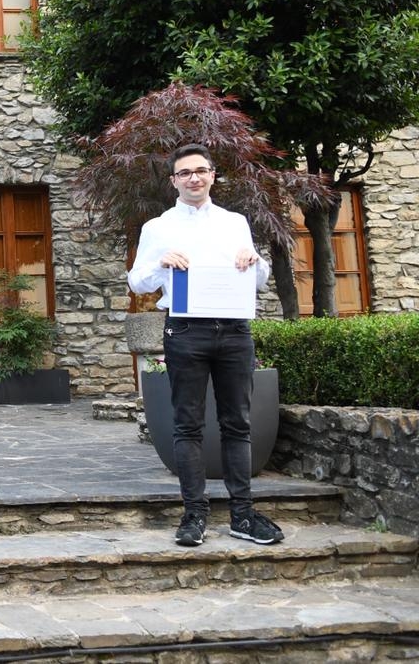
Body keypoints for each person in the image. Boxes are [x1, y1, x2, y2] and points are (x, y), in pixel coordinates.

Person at [128, 143, 283, 548]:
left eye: (201, 170)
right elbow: (137, 281)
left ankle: (242, 515)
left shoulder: (235, 222)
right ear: (173, 181)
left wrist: (256, 262)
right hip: (185, 330)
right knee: (188, 424)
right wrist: (161, 262)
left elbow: (260, 278)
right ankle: (194, 515)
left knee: (238, 423)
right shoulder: (157, 228)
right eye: (185, 173)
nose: (194, 178)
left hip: (234, 330)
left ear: (213, 175)